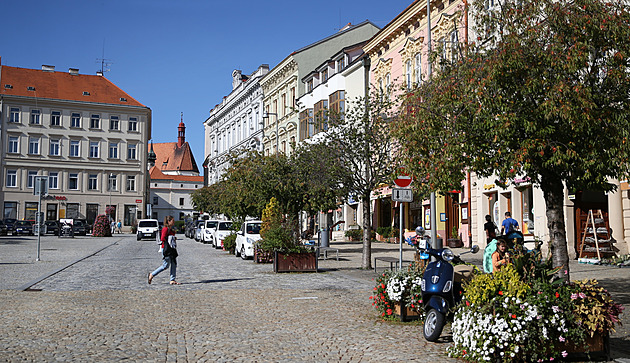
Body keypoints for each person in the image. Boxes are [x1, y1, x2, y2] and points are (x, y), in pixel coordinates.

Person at [148, 215, 180, 285]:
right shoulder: (165, 229)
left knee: (174, 264)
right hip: (166, 249)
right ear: (169, 221)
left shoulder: (170, 229)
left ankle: (172, 279)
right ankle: (152, 274)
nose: (174, 222)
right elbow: (163, 238)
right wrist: (170, 238)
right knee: (165, 265)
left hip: (172, 249)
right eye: (173, 221)